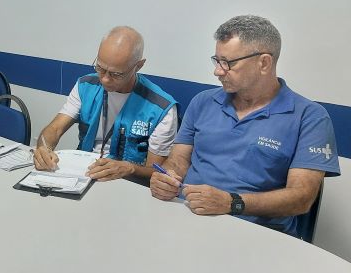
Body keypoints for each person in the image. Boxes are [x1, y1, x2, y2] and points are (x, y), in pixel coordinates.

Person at [149, 15, 341, 236]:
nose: (218, 71)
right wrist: (168, 177)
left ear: (264, 63)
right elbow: (179, 160)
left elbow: (301, 198)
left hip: (258, 233)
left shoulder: (310, 117)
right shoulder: (203, 102)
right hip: (187, 217)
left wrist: (232, 203)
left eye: (228, 63)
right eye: (216, 60)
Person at [33, 26, 179, 183]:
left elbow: (156, 171)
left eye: (116, 74)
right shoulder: (85, 86)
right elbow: (54, 129)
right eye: (100, 68)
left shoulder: (161, 108)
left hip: (126, 183)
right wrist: (44, 148)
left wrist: (129, 168)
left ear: (138, 66)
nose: (105, 79)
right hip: (82, 175)